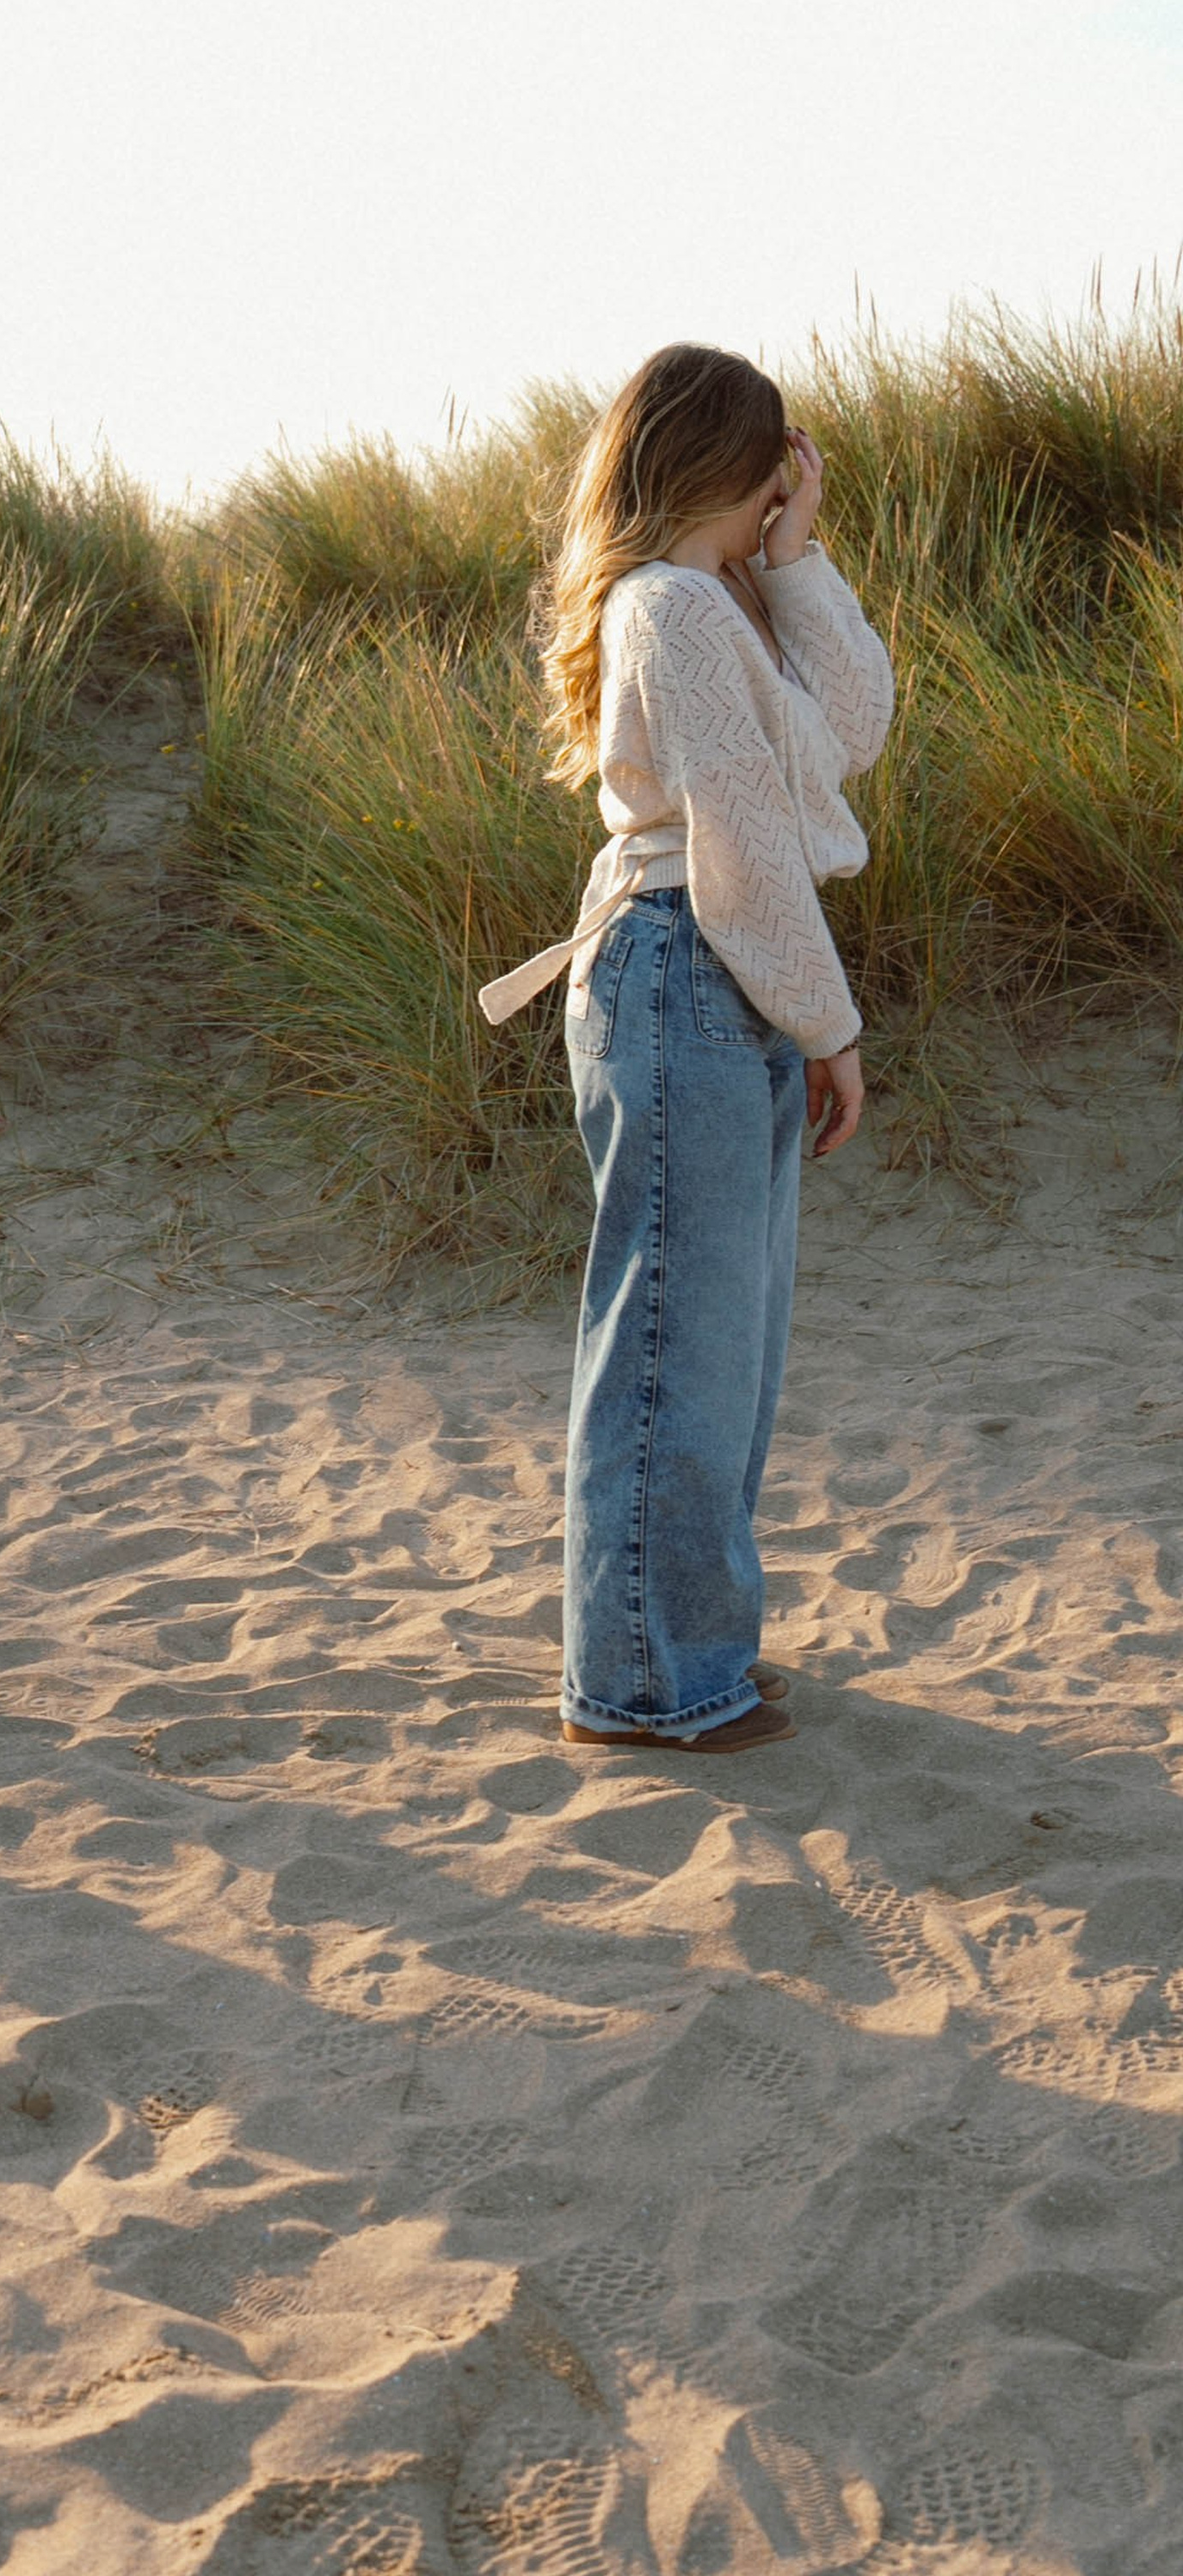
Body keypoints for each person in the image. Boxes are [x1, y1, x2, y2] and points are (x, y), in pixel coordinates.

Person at [482, 346, 894, 1752]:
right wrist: (828, 1024)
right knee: (674, 1344)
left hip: (715, 981)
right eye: (779, 455)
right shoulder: (668, 608)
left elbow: (854, 727)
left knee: (726, 1350)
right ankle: (647, 1682)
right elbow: (740, 857)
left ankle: (687, 1650)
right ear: (741, 454)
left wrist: (797, 563)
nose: (794, 474)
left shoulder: (715, 605)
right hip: (685, 971)